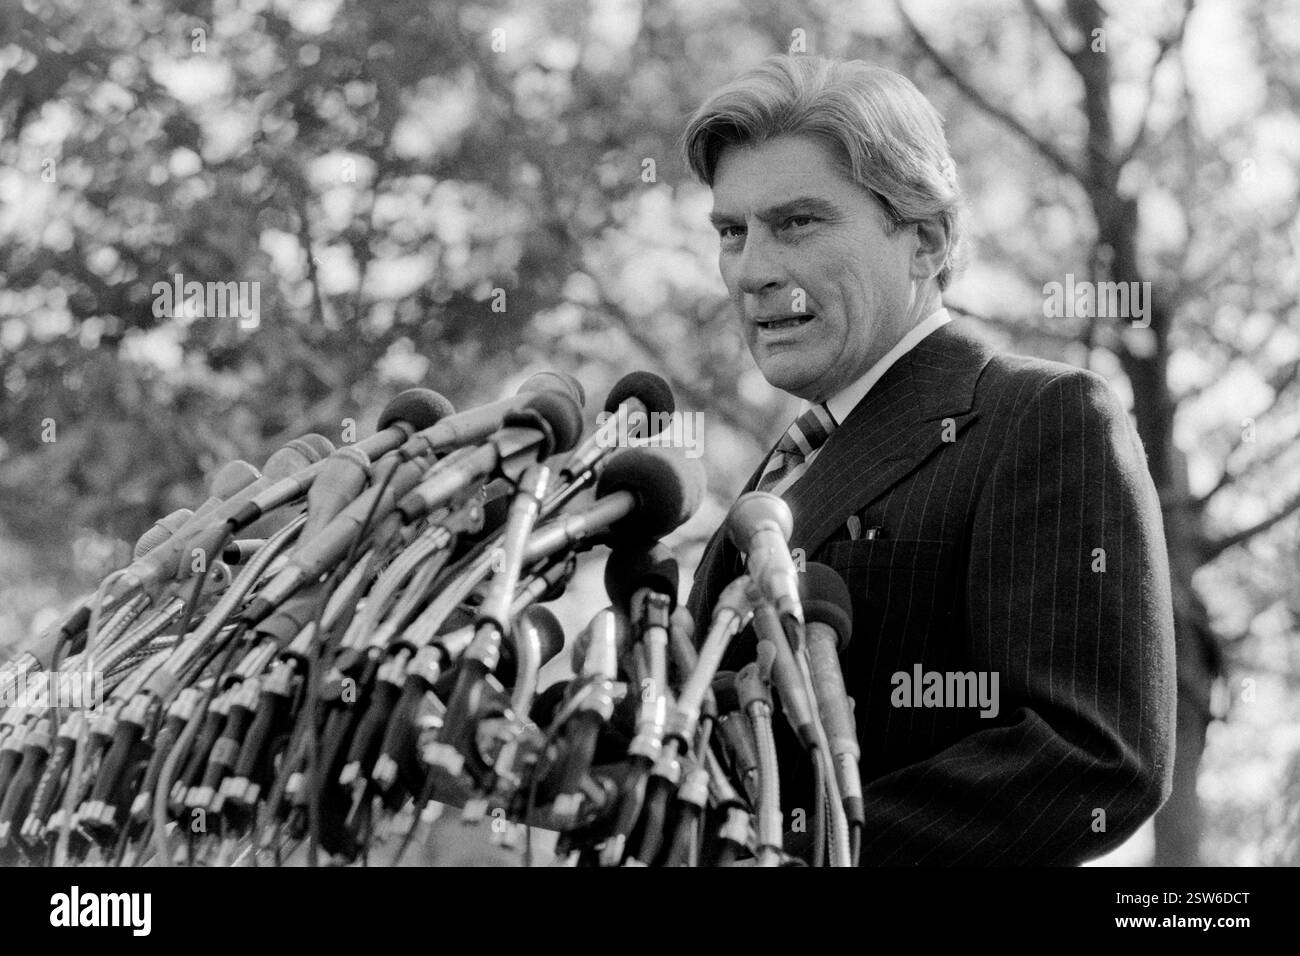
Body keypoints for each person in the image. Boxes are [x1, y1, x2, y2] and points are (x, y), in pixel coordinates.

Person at [682, 54, 1176, 865]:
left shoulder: (1041, 416)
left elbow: (1092, 754)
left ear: (926, 239)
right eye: (732, 232)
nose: (753, 271)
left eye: (796, 223)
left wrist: (799, 853)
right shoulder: (791, 461)